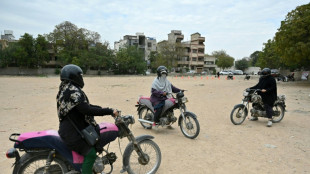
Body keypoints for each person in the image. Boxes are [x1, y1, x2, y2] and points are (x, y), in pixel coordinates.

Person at [57, 64, 119, 174]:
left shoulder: (65, 89)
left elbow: (84, 107)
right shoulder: (73, 91)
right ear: (74, 77)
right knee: (90, 154)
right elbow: (87, 110)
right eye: (80, 76)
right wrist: (108, 111)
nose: (81, 78)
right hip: (73, 134)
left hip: (70, 129)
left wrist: (105, 109)